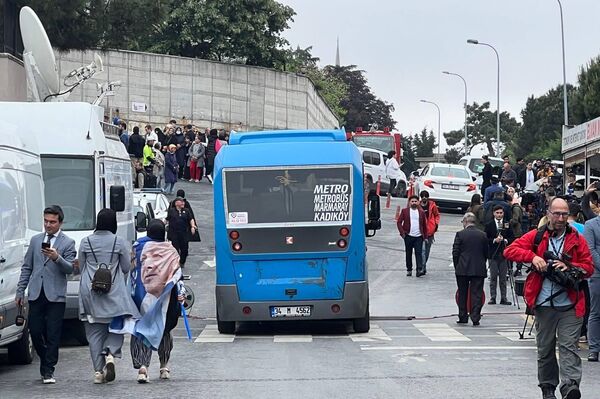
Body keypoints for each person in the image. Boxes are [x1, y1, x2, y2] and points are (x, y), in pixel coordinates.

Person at [505, 198, 594, 399]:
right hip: (544, 304)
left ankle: (570, 386)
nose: (561, 218)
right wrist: (533, 257)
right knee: (545, 349)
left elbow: (588, 267)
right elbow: (509, 250)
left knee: (568, 347)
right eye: (557, 213)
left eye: (564, 214)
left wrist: (570, 267)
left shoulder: (577, 238)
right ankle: (547, 387)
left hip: (570, 303)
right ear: (549, 213)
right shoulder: (537, 236)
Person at [78, 209, 141, 384]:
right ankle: (111, 354)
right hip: (114, 292)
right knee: (116, 327)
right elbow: (126, 268)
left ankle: (98, 372)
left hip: (90, 292)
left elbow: (81, 267)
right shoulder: (119, 242)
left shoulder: (85, 242)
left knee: (94, 334)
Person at [15, 206, 76, 384]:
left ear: (60, 222)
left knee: (53, 333)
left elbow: (70, 269)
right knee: (34, 330)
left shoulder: (68, 242)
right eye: (46, 221)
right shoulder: (35, 240)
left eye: (52, 222)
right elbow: (27, 267)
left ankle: (49, 369)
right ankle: (44, 358)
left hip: (55, 294)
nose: (48, 225)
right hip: (36, 292)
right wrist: (20, 290)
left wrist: (57, 257)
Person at [130, 220, 184, 382]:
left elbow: (131, 270)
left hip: (141, 296)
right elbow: (177, 275)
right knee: (165, 330)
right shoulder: (171, 250)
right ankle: (164, 366)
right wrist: (181, 294)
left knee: (141, 331)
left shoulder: (138, 247)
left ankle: (142, 367)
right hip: (166, 299)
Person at [452, 212, 488, 326]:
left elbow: (455, 252)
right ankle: (475, 317)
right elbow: (486, 252)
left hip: (463, 267)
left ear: (465, 222)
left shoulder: (460, 234)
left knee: (462, 293)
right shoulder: (482, 235)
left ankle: (463, 316)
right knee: (476, 293)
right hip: (478, 268)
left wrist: (457, 265)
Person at [485, 205, 514, 305]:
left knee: (503, 277)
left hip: (503, 254)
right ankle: (493, 297)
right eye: (497, 213)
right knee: (493, 277)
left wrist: (505, 240)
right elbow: (485, 239)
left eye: (501, 213)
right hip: (492, 254)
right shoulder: (489, 224)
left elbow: (512, 238)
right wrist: (494, 240)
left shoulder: (507, 224)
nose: (499, 215)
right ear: (493, 213)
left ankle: (503, 297)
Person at [397, 195, 428, 277]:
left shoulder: (421, 212)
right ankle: (409, 269)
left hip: (419, 236)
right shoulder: (405, 211)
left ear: (418, 202)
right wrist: (402, 233)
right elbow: (399, 222)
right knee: (408, 253)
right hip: (408, 236)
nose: (414, 203)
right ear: (409, 202)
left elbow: (424, 225)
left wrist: (425, 237)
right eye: (412, 201)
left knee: (419, 253)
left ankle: (419, 270)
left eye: (415, 201)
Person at [584, 208, 600, 363]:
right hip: (597, 273)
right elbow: (590, 249)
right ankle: (594, 349)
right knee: (596, 311)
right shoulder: (591, 225)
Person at [166, 197, 197, 268]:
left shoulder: (186, 211)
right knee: (175, 249)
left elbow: (191, 219)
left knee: (185, 250)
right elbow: (167, 219)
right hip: (174, 233)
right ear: (176, 203)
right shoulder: (172, 211)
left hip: (184, 233)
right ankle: (176, 263)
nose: (183, 203)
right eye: (181, 201)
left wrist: (193, 226)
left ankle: (182, 262)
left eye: (183, 202)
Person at [419, 190, 440, 274]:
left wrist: (435, 223)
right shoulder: (417, 206)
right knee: (422, 251)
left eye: (426, 196)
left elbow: (437, 215)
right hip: (420, 232)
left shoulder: (432, 205)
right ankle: (421, 267)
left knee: (426, 251)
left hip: (430, 231)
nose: (424, 198)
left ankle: (423, 266)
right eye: (423, 196)